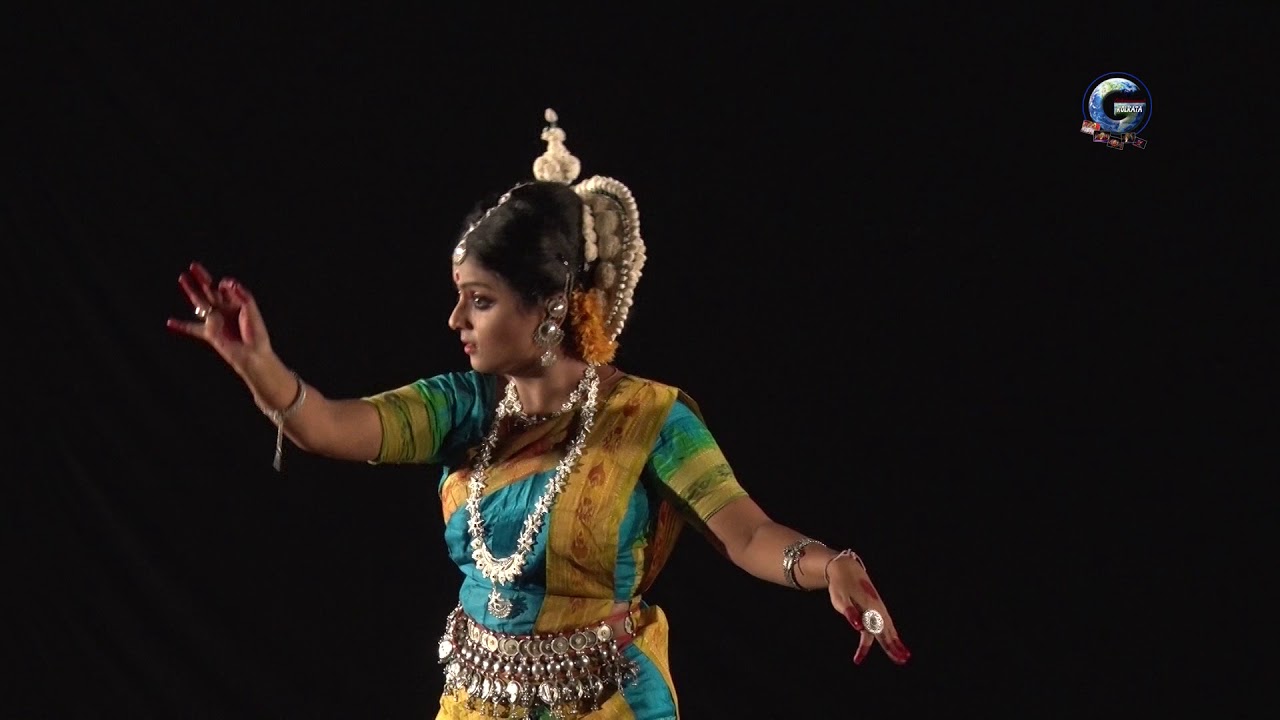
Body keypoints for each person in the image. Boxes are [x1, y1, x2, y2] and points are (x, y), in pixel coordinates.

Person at [167, 108, 911, 719]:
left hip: (606, 704)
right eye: (460, 294)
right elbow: (325, 426)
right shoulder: (465, 407)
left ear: (550, 309)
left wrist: (827, 565)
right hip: (477, 702)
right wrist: (256, 363)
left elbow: (745, 534)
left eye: (482, 300)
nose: (457, 317)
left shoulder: (648, 417)